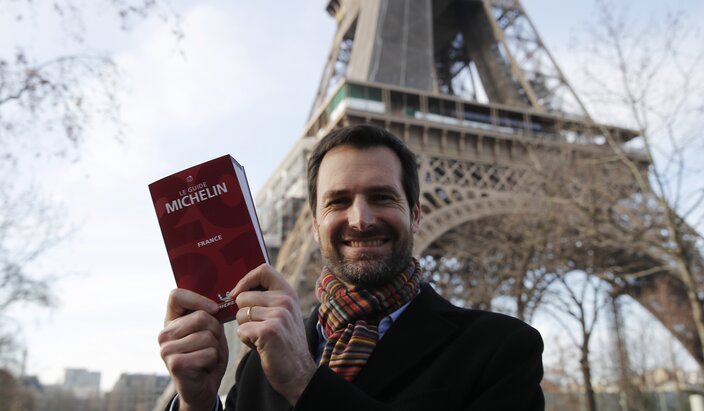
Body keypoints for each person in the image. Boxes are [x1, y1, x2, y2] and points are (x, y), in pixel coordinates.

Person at [158, 125, 545, 411]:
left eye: (382, 197)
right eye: (339, 201)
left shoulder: (500, 350)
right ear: (314, 225)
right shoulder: (257, 367)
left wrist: (304, 382)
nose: (361, 219)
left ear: (415, 215)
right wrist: (197, 403)